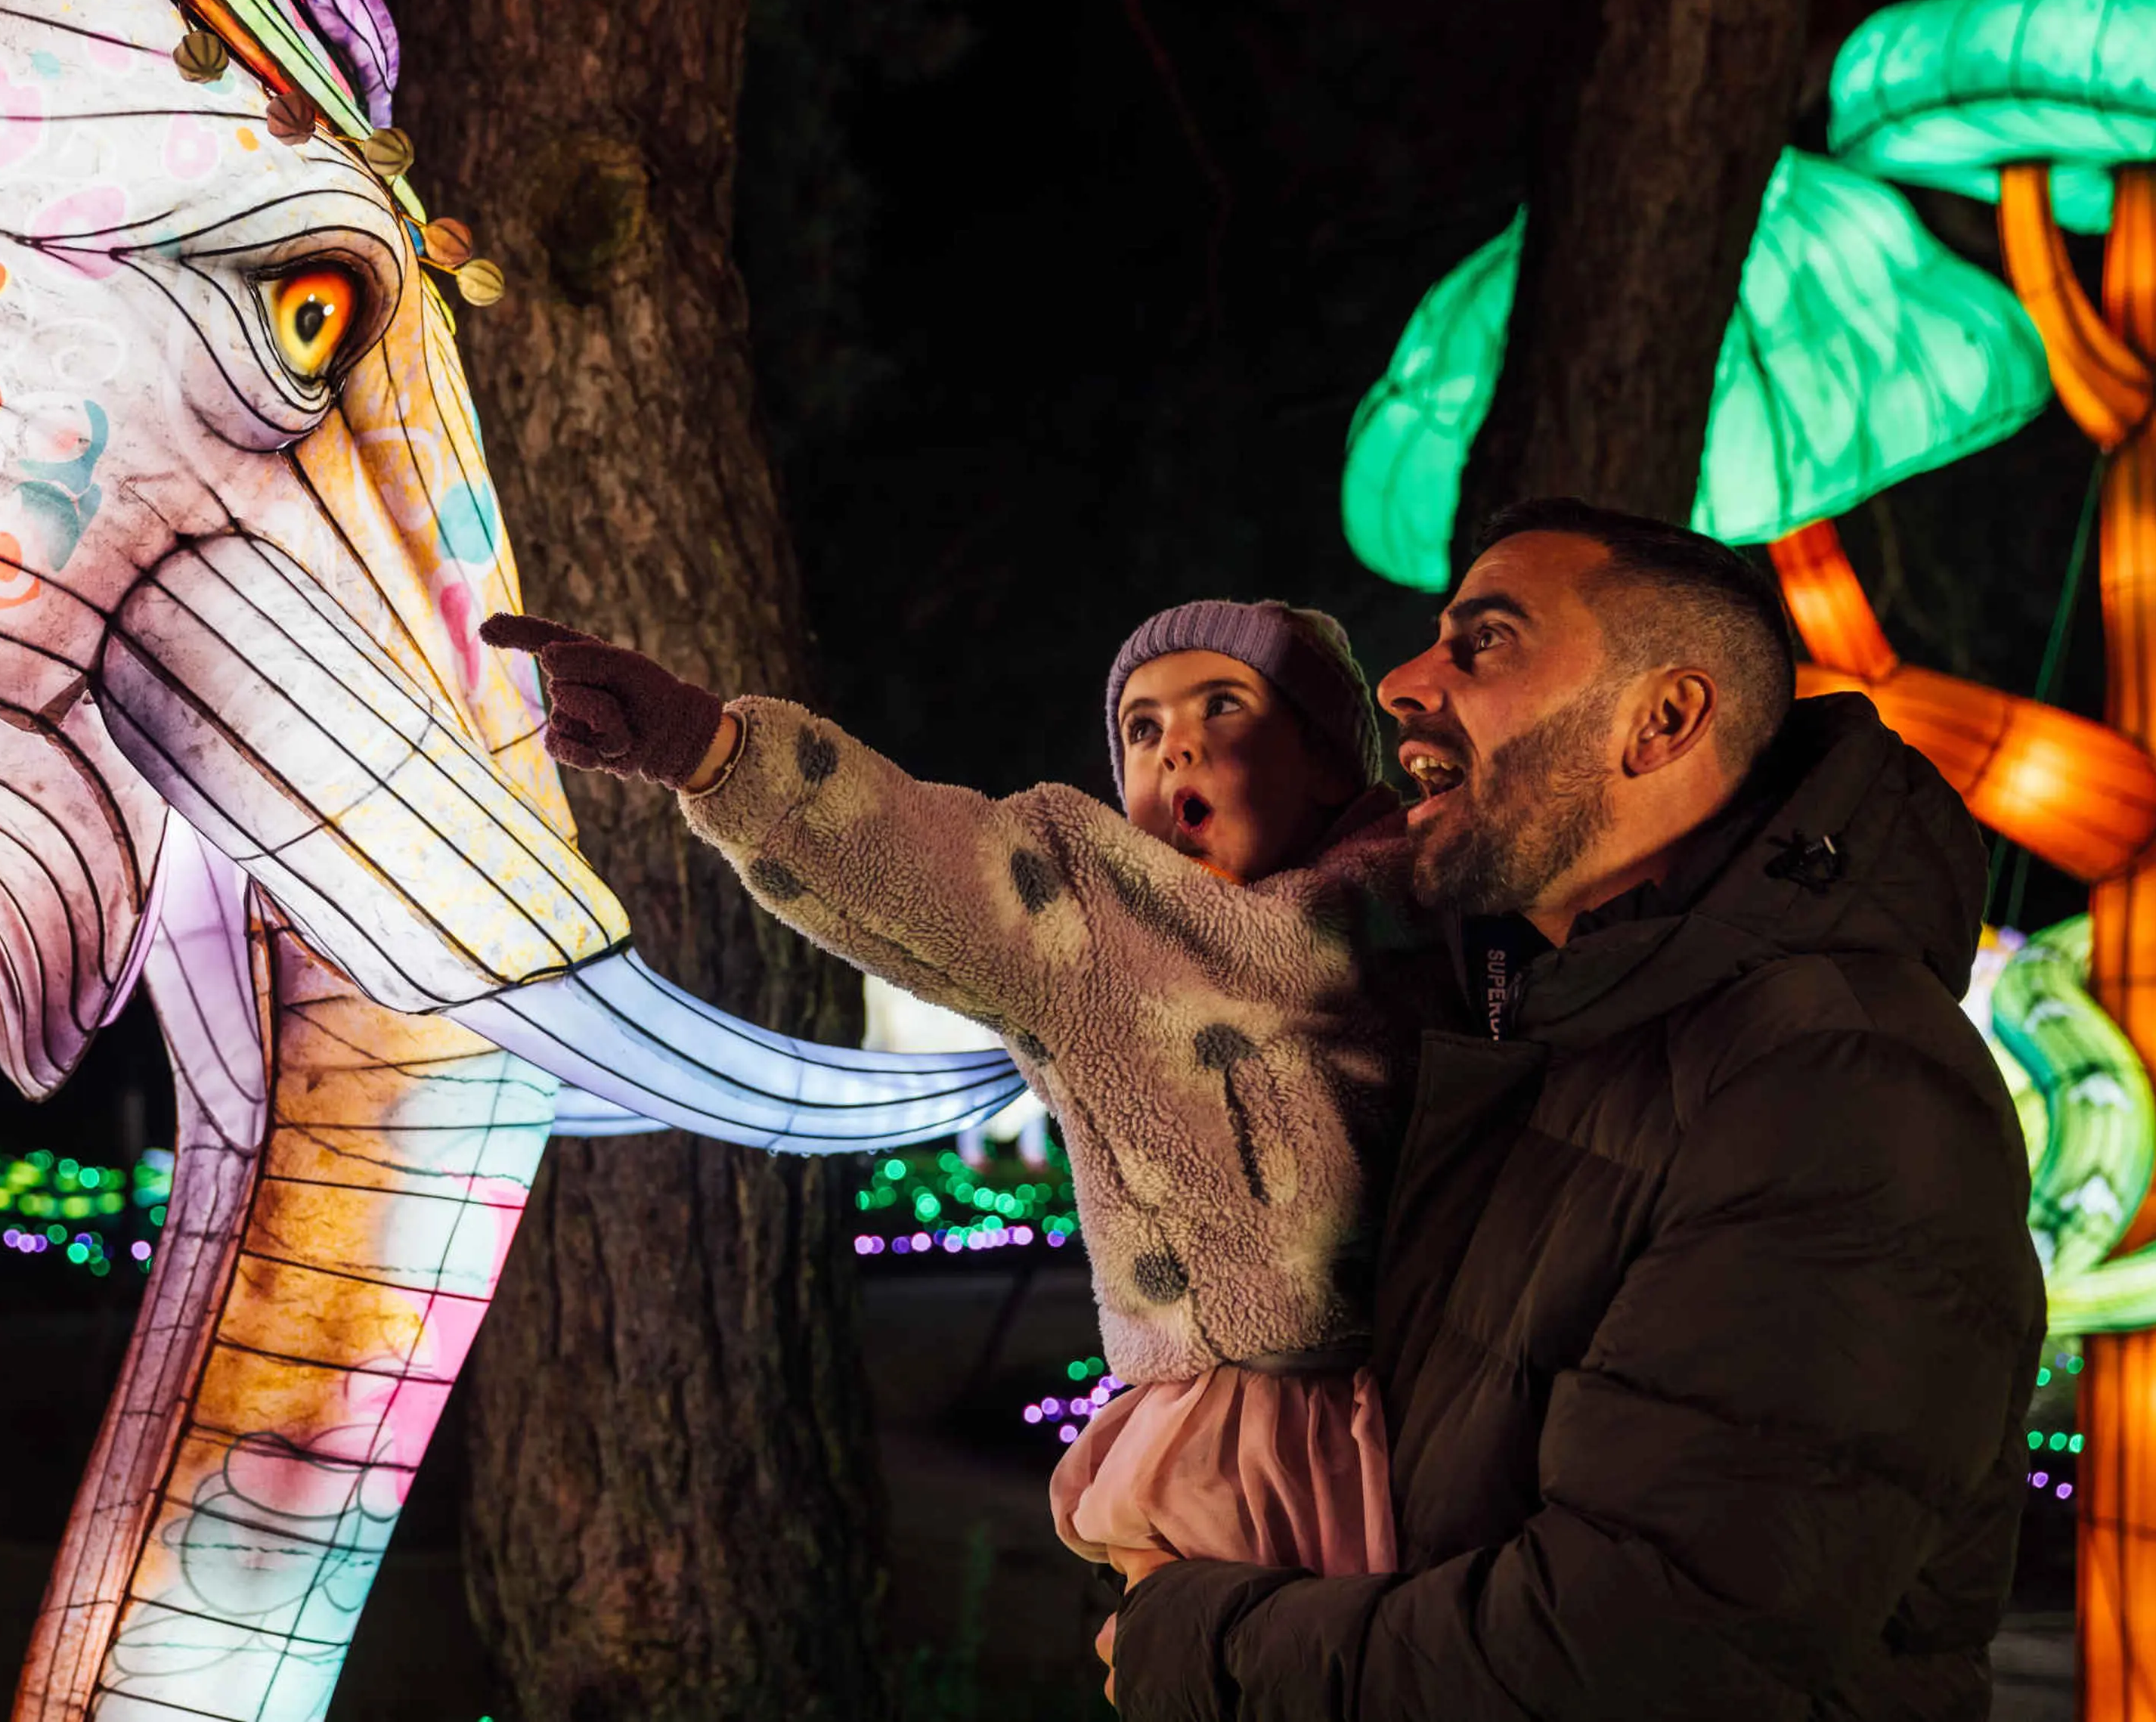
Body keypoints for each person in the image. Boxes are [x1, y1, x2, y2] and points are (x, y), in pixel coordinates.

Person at [1104, 498, 2047, 1720]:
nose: (1402, 682)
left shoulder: (1842, 1082)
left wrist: (1207, 1650)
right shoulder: (1557, 1025)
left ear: (1662, 720)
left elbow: (1645, 1650)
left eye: (1485, 642)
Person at [479, 599, 1448, 1587]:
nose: (1176, 750)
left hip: (1412, 1439)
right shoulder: (1108, 939)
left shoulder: (1425, 923)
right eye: (1143, 729)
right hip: (1236, 1462)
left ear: (1329, 760)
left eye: (1225, 708)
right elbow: (937, 866)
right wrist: (707, 747)